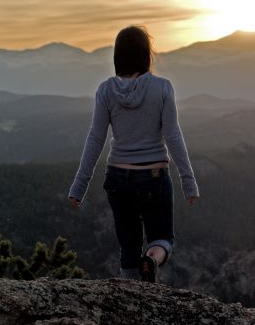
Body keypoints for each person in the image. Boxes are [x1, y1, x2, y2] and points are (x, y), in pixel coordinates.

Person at [68, 25, 199, 282]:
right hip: (153, 176)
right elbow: (173, 136)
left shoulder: (105, 91)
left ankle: (129, 299)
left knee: (128, 246)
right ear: (145, 55)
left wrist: (79, 185)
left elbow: (96, 138)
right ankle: (151, 259)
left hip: (117, 178)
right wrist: (188, 180)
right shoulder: (163, 88)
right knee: (162, 238)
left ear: (118, 56)